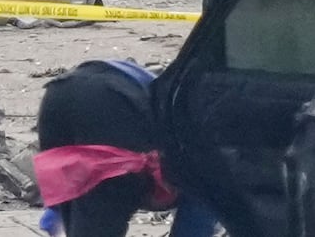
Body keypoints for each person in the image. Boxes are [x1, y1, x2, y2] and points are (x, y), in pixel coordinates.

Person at [35, 59, 215, 237]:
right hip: (113, 101)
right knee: (110, 199)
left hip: (60, 92)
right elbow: (193, 228)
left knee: (81, 192)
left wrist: (56, 212)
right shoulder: (206, 177)